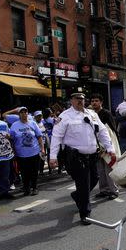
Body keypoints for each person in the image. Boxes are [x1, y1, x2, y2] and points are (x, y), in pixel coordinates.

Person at [49, 92, 116, 224]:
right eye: (77, 99)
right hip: (76, 157)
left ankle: (77, 195)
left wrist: (110, 148)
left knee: (95, 178)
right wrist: (52, 157)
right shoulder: (64, 116)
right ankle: (85, 214)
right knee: (84, 184)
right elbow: (56, 137)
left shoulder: (92, 114)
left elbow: (102, 131)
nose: (80, 101)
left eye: (82, 99)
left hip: (92, 155)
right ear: (71, 101)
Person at [90, 93, 120, 200]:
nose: (94, 103)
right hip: (96, 147)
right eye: (92, 101)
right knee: (100, 170)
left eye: (96, 101)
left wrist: (110, 146)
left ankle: (114, 191)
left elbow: (112, 130)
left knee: (109, 169)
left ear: (101, 102)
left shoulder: (106, 113)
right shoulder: (90, 114)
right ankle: (104, 190)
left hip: (107, 146)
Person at [10, 107, 45, 196]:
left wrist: (42, 149)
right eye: (22, 112)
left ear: (28, 114)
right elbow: (12, 140)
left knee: (34, 171)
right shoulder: (14, 125)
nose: (24, 114)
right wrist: (13, 151)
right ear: (19, 115)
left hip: (34, 152)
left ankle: (34, 187)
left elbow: (39, 136)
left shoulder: (33, 123)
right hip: (21, 154)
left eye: (25, 112)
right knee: (24, 172)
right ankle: (26, 188)